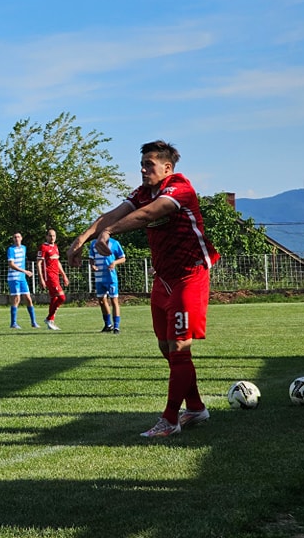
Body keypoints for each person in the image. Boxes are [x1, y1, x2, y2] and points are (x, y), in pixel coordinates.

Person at [67, 140, 219, 438]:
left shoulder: (179, 188)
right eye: (142, 164)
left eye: (149, 164)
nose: (143, 169)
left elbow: (149, 214)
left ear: (167, 167)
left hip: (190, 276)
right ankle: (197, 407)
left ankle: (170, 418)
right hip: (164, 278)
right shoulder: (143, 192)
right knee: (166, 347)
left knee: (178, 346)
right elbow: (114, 213)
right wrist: (82, 237)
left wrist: (109, 233)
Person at [90, 236, 126, 333]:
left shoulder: (114, 243)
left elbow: (123, 258)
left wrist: (114, 262)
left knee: (114, 301)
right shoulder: (94, 243)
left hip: (111, 277)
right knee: (101, 301)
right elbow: (91, 258)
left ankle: (116, 327)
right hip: (99, 277)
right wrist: (92, 265)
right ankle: (108, 325)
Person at [37, 228, 70, 331]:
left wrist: (64, 275)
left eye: (54, 236)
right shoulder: (43, 247)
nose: (52, 238)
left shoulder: (55, 247)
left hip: (56, 276)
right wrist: (41, 279)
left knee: (54, 298)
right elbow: (38, 263)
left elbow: (58, 262)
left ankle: (50, 321)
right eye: (50, 235)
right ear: (46, 236)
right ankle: (49, 318)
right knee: (62, 297)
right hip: (49, 276)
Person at [6, 232, 38, 329]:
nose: (17, 238)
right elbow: (11, 264)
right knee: (17, 299)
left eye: (18, 237)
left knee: (28, 299)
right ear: (13, 239)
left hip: (22, 278)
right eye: (15, 237)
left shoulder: (24, 248)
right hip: (14, 278)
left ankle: (33, 322)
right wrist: (24, 271)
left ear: (21, 238)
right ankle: (13, 323)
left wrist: (24, 273)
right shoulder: (11, 250)